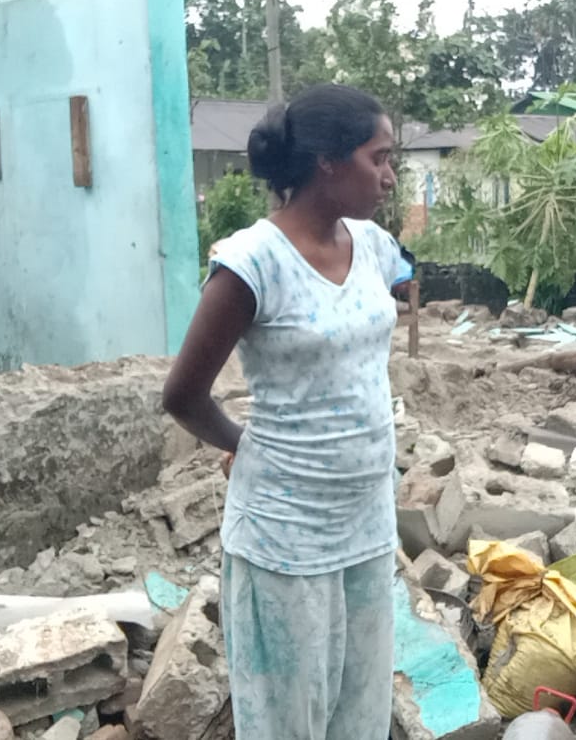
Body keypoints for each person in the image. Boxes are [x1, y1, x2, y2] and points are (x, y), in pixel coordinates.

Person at [162, 83, 413, 740]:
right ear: (327, 161)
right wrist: (244, 444)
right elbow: (182, 394)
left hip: (365, 519)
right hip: (284, 531)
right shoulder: (252, 264)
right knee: (287, 722)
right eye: (377, 158)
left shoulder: (374, 247)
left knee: (358, 714)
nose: (389, 176)